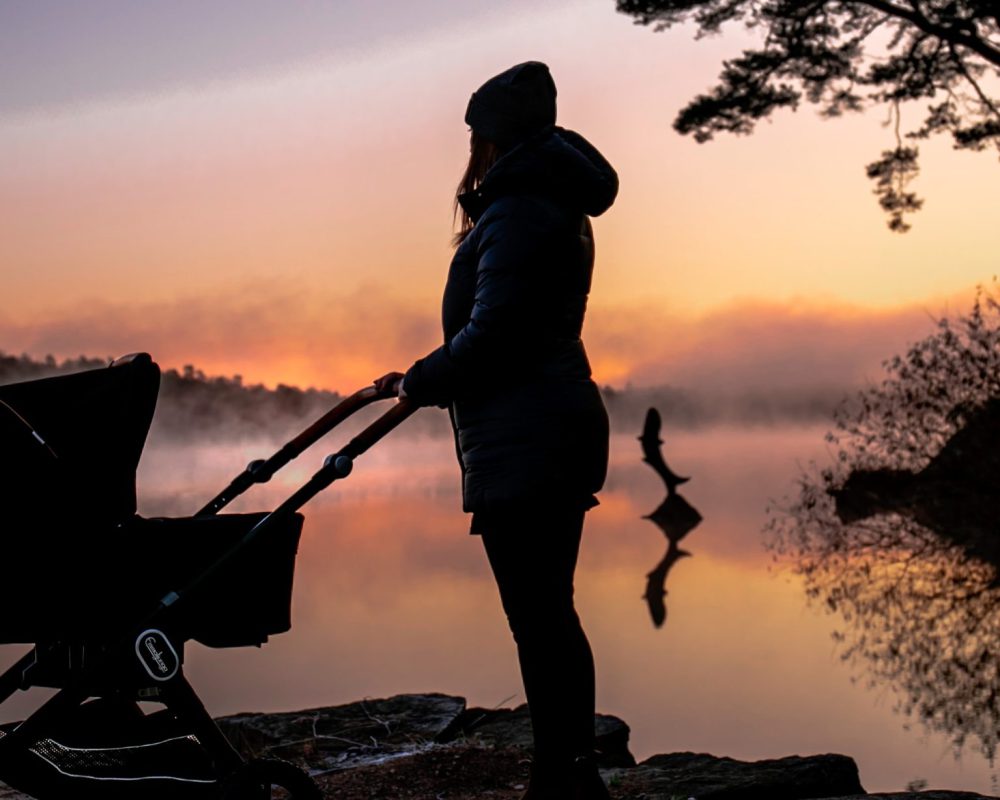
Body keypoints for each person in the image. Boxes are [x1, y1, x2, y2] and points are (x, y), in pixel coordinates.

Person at [376, 60, 618, 800]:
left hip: (528, 437)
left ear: (494, 137)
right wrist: (417, 380)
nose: (470, 151)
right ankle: (570, 772)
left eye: (476, 134)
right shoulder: (551, 204)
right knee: (550, 614)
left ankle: (562, 780)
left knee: (539, 618)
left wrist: (420, 379)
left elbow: (497, 335)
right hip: (549, 427)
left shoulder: (516, 211)